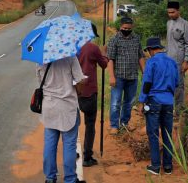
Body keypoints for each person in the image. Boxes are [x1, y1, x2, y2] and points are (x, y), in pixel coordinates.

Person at [37, 56, 87, 183]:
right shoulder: (70, 57)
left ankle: (50, 178)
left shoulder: (41, 58)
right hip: (67, 107)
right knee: (69, 145)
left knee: (49, 144)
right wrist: (79, 91)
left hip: (49, 107)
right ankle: (70, 179)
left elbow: (40, 82)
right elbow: (80, 81)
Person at [139, 37, 179, 175]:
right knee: (167, 134)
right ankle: (168, 166)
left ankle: (155, 166)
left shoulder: (151, 62)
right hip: (168, 102)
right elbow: (176, 83)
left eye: (148, 50)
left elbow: (147, 84)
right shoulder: (173, 62)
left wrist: (142, 101)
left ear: (150, 49)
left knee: (153, 133)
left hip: (154, 101)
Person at [76, 24, 108, 167]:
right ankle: (87, 156)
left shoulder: (73, 47)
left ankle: (71, 152)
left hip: (74, 91)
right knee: (90, 124)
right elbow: (104, 65)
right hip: (89, 90)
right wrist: (104, 53)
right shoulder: (93, 48)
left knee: (71, 125)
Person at [107, 16, 145, 134]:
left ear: (132, 27)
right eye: (124, 28)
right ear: (120, 27)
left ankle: (124, 123)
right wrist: (111, 76)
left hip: (132, 76)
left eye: (129, 28)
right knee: (115, 102)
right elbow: (110, 59)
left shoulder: (136, 39)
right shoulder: (114, 39)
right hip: (118, 77)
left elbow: (141, 56)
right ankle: (114, 125)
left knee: (129, 102)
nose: (127, 30)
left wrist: (145, 72)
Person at [166, 1, 188, 116]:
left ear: (178, 11)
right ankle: (168, 108)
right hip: (168, 59)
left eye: (173, 12)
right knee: (168, 83)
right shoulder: (168, 23)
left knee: (179, 85)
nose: (170, 14)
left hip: (179, 60)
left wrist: (186, 61)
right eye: (168, 12)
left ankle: (179, 110)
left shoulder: (185, 24)